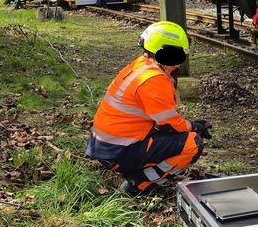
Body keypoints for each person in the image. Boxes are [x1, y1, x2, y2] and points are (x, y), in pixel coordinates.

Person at [86, 21, 212, 193]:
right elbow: (168, 124)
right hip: (118, 151)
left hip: (107, 145)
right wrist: (194, 127)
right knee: (192, 144)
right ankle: (139, 183)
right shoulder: (154, 79)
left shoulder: (141, 65)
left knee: (175, 136)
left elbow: (161, 119)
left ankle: (136, 170)